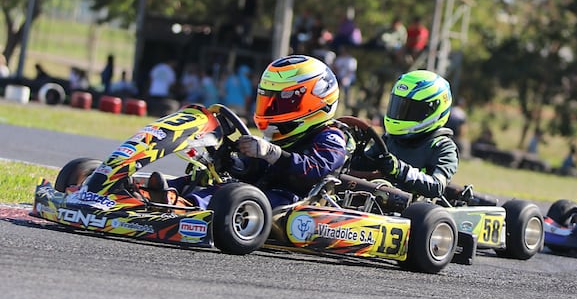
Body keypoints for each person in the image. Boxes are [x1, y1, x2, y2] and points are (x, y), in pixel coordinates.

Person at [166, 55, 347, 210]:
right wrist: (229, 160)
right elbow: (252, 170)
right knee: (210, 180)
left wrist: (272, 153)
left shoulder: (331, 137)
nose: (273, 107)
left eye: (284, 100)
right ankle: (161, 191)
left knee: (236, 195)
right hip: (257, 191)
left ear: (316, 99)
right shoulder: (279, 137)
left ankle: (189, 206)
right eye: (269, 99)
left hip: (293, 200)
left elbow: (314, 169)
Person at [361, 69, 458, 199]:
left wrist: (400, 170)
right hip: (378, 200)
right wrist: (356, 151)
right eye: (398, 106)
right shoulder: (389, 139)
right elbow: (363, 167)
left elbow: (437, 186)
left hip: (414, 211)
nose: (400, 114)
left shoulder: (443, 147)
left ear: (433, 110)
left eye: (410, 110)